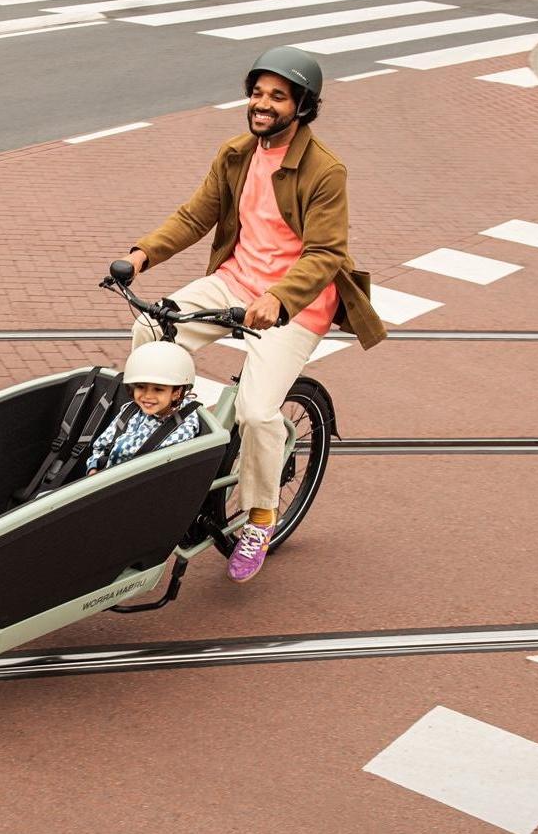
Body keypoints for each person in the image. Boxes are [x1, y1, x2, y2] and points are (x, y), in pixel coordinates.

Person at [122, 46, 386, 584]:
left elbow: (326, 253)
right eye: (258, 93)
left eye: (278, 96)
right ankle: (173, 431)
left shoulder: (324, 171)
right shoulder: (237, 153)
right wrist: (141, 255)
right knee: (150, 328)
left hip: (295, 305)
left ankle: (261, 516)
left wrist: (280, 299)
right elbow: (198, 213)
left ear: (302, 106)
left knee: (259, 412)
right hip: (234, 282)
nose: (262, 104)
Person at [86, 341, 200, 475]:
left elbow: (154, 473)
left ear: (177, 393)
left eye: (158, 389)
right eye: (140, 387)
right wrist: (94, 466)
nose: (147, 396)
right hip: (104, 476)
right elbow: (102, 444)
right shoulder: (130, 410)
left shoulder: (181, 430)